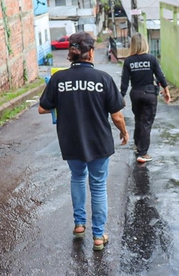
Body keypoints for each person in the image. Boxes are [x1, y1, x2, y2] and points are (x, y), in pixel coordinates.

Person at [38, 31, 129, 251]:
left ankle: (79, 225)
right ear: (89, 53)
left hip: (71, 140)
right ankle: (98, 236)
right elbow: (116, 115)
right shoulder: (103, 79)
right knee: (98, 186)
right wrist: (124, 132)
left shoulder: (58, 79)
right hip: (98, 142)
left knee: (77, 177)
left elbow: (43, 108)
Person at [120, 33, 171, 164]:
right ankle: (143, 153)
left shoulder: (128, 61)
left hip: (135, 93)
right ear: (145, 43)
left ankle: (138, 145)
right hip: (149, 94)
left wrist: (121, 96)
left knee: (139, 119)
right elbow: (160, 76)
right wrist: (166, 91)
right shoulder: (151, 58)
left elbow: (124, 81)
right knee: (146, 123)